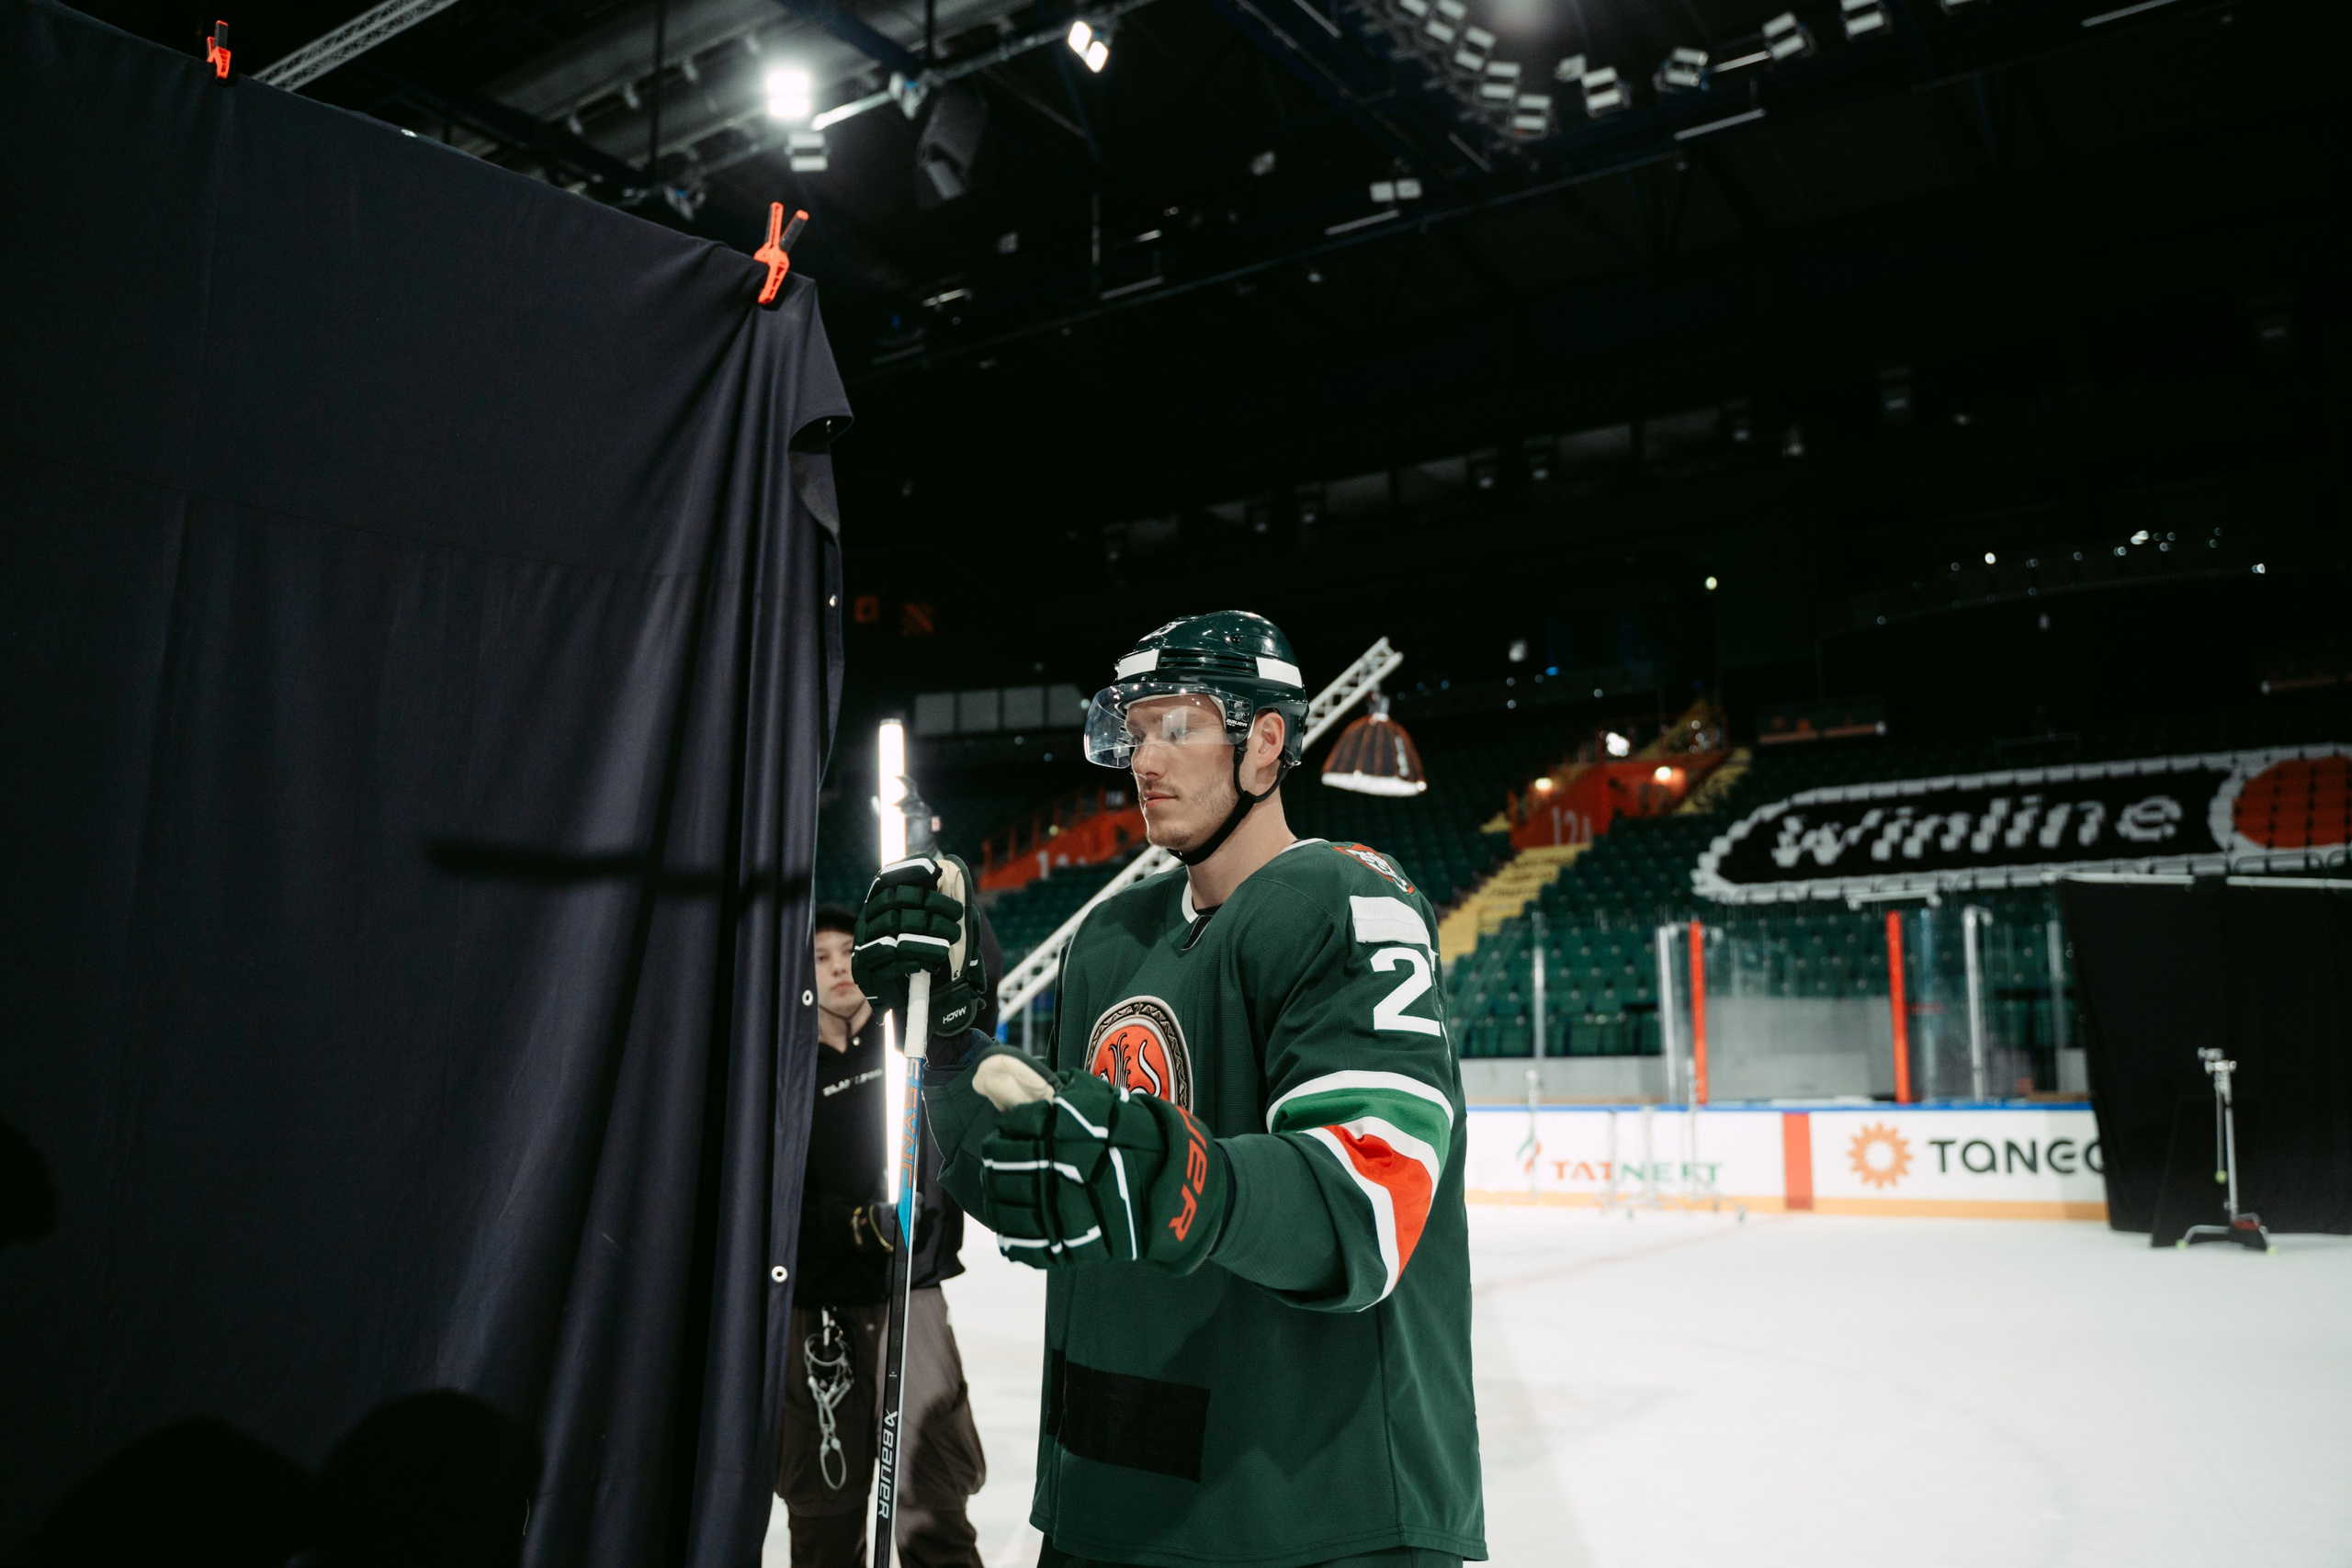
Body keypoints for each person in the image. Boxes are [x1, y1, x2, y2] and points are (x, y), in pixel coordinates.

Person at [855, 612, 1485, 1568]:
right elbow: (1048, 1186)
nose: (1144, 759)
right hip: (1104, 1506)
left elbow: (1367, 1200)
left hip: (1310, 1518)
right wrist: (947, 1044)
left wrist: (1176, 1177)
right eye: (1133, 731)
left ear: (1265, 740)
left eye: (1178, 727)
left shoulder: (1346, 901)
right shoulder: (1111, 936)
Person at [778, 904, 992, 1568]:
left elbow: (979, 992)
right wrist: (849, 1223)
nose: (840, 965)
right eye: (822, 956)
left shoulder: (914, 1040)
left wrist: (955, 914)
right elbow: (771, 1197)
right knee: (824, 1517)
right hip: (820, 1311)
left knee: (933, 1508)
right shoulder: (783, 1072)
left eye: (850, 951)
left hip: (912, 1295)